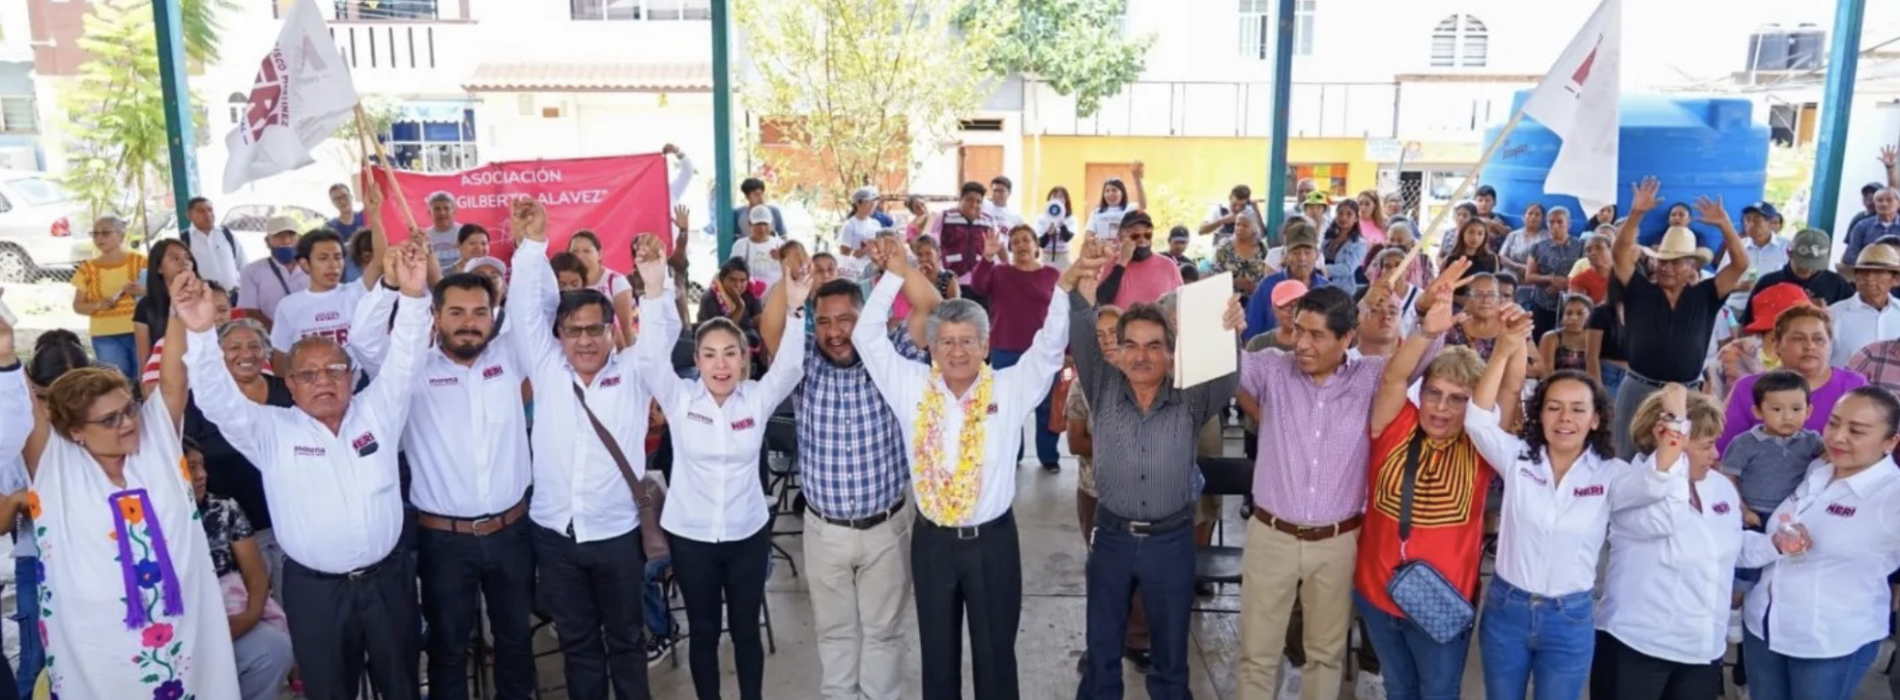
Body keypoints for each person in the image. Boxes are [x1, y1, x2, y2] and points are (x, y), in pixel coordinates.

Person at [182, 237, 431, 698]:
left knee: (401, 686)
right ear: (289, 384)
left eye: (334, 370)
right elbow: (216, 400)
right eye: (309, 375)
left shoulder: (380, 410)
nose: (323, 381)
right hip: (316, 593)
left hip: (388, 582)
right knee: (328, 690)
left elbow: (408, 358)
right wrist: (199, 334)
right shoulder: (270, 430)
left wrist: (413, 297)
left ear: (352, 376)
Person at [852, 235, 1080, 700]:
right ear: (931, 347)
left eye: (968, 342)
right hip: (933, 543)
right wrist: (895, 273)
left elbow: (1049, 350)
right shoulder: (910, 385)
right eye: (946, 342)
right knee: (937, 660)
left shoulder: (1009, 388)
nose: (957, 352)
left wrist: (1063, 290)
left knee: (997, 659)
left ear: (986, 344)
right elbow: (866, 337)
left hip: (993, 542)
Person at [1233, 264, 1465, 700]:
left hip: (1338, 542)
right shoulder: (1271, 368)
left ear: (1347, 340)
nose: (1302, 344)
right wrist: (1226, 328)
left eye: (1317, 335)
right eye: (1299, 330)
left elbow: (1416, 366)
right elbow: (1224, 364)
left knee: (1326, 654)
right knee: (1257, 655)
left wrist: (1428, 318)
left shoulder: (1371, 377)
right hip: (1271, 536)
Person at [4, 272, 241, 699]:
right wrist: (6, 357)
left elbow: (171, 382)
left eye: (128, 409)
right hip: (97, 651)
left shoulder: (156, 443)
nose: (128, 422)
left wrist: (177, 313)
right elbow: (22, 404)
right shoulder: (54, 463)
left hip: (187, 638)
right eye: (109, 419)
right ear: (74, 430)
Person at [1461, 306, 1678, 700]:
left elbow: (1657, 482)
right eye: (1554, 407)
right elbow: (1476, 421)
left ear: (1596, 419)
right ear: (1539, 415)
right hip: (1506, 610)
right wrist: (1504, 349)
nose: (1565, 418)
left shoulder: (1610, 474)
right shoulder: (1517, 459)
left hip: (1570, 618)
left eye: (1578, 409)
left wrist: (1676, 414)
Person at [756, 241, 939, 700]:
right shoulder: (804, 363)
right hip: (824, 532)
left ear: (867, 319)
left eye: (845, 320)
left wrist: (899, 264)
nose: (835, 332)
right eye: (824, 322)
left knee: (884, 635)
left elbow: (931, 308)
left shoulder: (892, 355)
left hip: (887, 528)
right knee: (835, 637)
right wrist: (788, 281)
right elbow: (770, 328)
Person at [347, 266, 539, 700]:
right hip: (444, 541)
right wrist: (395, 287)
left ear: (493, 317)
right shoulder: (408, 369)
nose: (468, 322)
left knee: (515, 641)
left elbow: (532, 310)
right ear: (435, 316)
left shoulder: (511, 357)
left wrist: (532, 250)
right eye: (456, 312)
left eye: (479, 312)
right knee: (448, 649)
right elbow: (363, 340)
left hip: (512, 533)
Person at [632, 234, 809, 700]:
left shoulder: (756, 397)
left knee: (746, 631)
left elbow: (789, 369)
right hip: (691, 537)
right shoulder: (681, 398)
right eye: (709, 355)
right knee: (705, 633)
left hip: (747, 533)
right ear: (698, 361)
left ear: (745, 359)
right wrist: (653, 292)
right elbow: (650, 361)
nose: (721, 364)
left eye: (730, 354)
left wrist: (794, 308)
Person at [1071, 241, 1244, 700]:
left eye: (1153, 346)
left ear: (1171, 353)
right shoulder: (1103, 385)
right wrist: (1084, 278)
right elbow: (1082, 326)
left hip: (1171, 541)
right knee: (1102, 650)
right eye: (1131, 346)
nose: (1142, 356)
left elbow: (1228, 375)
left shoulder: (1190, 398)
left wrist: (1231, 331)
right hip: (1111, 538)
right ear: (1119, 352)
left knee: (1171, 658)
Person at [509, 200, 657, 700]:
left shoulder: (635, 370)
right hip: (556, 535)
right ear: (559, 336)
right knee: (578, 647)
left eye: (596, 329)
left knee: (627, 642)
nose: (585, 340)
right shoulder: (548, 369)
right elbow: (525, 313)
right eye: (574, 331)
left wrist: (655, 279)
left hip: (618, 534)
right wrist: (532, 245)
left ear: (613, 331)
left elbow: (664, 332)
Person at [1353, 287, 1496, 700]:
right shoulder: (1396, 423)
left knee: (1437, 691)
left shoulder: (1480, 444)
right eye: (1434, 393)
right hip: (1377, 590)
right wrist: (1423, 332)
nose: (1441, 408)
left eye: (1457, 399)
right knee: (1398, 687)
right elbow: (1395, 376)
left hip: (1443, 601)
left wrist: (1506, 347)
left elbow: (1503, 393)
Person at [1591, 386, 1758, 700]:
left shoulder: (1719, 486)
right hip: (1636, 648)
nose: (1716, 455)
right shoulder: (1628, 485)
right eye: (1706, 445)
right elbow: (1666, 519)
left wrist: (1776, 546)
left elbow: (1728, 546)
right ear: (1668, 440)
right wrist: (1675, 434)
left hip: (1701, 651)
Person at [1739, 387, 1900, 700]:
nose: (1838, 437)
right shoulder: (1817, 471)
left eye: (1857, 431)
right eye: (1834, 423)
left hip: (1828, 642)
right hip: (1764, 626)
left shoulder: (1891, 496)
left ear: (1890, 442)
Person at [1610, 178, 1750, 458]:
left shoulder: (1706, 294)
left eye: (1676, 262)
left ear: (1692, 267)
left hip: (1688, 395)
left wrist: (1725, 224)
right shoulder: (1640, 290)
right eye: (1662, 261)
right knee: (1626, 462)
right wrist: (1636, 213)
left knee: (1682, 465)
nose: (1667, 268)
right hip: (1639, 389)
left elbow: (1740, 264)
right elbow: (1619, 252)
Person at [180, 319, 290, 602]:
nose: (246, 354)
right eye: (234, 347)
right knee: (255, 606)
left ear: (266, 352)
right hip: (236, 534)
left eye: (255, 346)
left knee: (296, 606)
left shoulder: (289, 391)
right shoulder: (199, 403)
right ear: (218, 355)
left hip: (290, 522)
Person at [185, 441, 296, 700]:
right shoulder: (149, 519)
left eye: (202, 465)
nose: (202, 474)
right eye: (191, 468)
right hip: (186, 621)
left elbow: (255, 574)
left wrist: (250, 616)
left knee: (275, 649)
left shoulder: (223, 509)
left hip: (231, 611)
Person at [268, 187, 393, 376]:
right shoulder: (288, 306)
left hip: (360, 385)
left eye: (337, 257)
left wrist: (374, 214)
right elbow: (280, 357)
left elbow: (380, 260)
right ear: (305, 264)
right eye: (323, 258)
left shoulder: (357, 292)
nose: (333, 265)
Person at [974, 225, 1063, 473]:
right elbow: (979, 286)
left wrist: (1066, 351)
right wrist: (988, 256)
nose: (1022, 245)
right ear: (1010, 248)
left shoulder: (1052, 275)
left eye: (1026, 240)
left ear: (1036, 245)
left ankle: (1049, 456)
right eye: (1015, 242)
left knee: (1047, 406)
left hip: (1044, 352)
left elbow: (1060, 315)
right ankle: (1013, 454)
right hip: (1006, 348)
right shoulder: (1000, 272)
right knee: (1008, 405)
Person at [1716, 305, 1866, 452]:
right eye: (1798, 338)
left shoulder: (1855, 386)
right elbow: (1724, 451)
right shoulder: (1748, 388)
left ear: (1830, 346)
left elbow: (1866, 445)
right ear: (1777, 346)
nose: (1810, 346)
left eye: (1819, 339)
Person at [71, 215, 146, 378]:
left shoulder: (141, 262)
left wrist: (143, 292)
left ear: (121, 235)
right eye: (95, 234)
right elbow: (78, 306)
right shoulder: (87, 268)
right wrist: (98, 305)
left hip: (140, 329)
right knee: (116, 382)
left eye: (105, 233)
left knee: (144, 378)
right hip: (105, 335)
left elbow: (162, 294)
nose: (99, 238)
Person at [1741, 229, 1853, 328]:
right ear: (1789, 253)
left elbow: (1850, 322)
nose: (1808, 269)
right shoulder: (1769, 282)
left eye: (1814, 265)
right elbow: (1748, 323)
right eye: (1802, 263)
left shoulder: (1836, 283)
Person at [1242, 221, 1325, 340]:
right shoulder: (1267, 286)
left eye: (1307, 252)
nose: (1302, 258)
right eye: (1295, 253)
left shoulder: (1326, 290)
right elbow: (1250, 332)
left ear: (1317, 255)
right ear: (1285, 256)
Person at [1094, 210, 1185, 310]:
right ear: (1120, 237)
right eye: (1135, 235)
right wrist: (1121, 263)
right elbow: (1099, 301)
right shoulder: (1108, 263)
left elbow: (1181, 305)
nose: (1142, 240)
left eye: (1147, 234)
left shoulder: (1168, 266)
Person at [1827, 243, 1900, 366]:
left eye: (1878, 273)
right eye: (1864, 272)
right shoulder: (1834, 314)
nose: (1870, 278)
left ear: (1894, 279)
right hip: (1848, 385)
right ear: (1855, 277)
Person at [134, 239, 199, 373]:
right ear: (159, 268)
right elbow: (144, 358)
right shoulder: (146, 307)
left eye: (187, 257)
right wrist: (147, 392)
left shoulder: (206, 296)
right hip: (166, 376)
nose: (184, 262)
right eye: (175, 258)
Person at [235, 217, 310, 331]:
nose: (286, 241)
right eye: (279, 236)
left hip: (311, 335)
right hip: (272, 339)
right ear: (267, 241)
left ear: (300, 239)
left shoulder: (313, 268)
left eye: (291, 235)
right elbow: (250, 311)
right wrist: (279, 333)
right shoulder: (252, 271)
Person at [929, 182, 998, 304]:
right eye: (969, 199)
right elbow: (931, 245)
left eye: (978, 201)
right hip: (952, 281)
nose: (974, 204)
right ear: (960, 200)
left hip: (980, 282)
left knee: (980, 320)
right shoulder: (944, 217)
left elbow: (997, 249)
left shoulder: (988, 221)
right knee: (953, 319)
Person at [1523, 206, 1584, 338]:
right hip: (1542, 303)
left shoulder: (1580, 246)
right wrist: (1551, 279)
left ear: (1569, 224)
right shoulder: (1538, 247)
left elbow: (1585, 272)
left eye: (1560, 222)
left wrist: (1564, 283)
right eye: (1551, 222)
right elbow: (1529, 276)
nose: (1555, 226)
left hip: (1571, 305)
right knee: (1539, 338)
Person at [571, 230, 639, 345]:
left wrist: (628, 358)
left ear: (599, 254)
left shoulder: (616, 281)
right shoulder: (567, 283)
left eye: (586, 251)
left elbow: (627, 328)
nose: (580, 256)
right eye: (575, 251)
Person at [184, 196, 245, 291]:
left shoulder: (226, 234)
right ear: (189, 215)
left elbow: (243, 264)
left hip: (233, 297)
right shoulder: (184, 240)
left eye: (210, 210)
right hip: (202, 300)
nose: (208, 214)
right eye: (201, 211)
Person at [1497, 203, 1548, 305]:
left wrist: (1530, 270)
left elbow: (1549, 259)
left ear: (1543, 219)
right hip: (1511, 270)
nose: (1533, 217)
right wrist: (1517, 266)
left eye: (1537, 215)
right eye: (1530, 213)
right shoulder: (1513, 235)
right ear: (1523, 217)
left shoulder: (1547, 236)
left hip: (1536, 274)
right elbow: (1502, 256)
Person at [1841, 186, 1900, 273]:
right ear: (1875, 204)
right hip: (1868, 275)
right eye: (1879, 200)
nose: (1884, 204)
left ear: (1898, 203)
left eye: (1889, 200)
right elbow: (1851, 256)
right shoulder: (1862, 226)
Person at [1213, 210, 1270, 298]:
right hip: (1228, 299)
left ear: (1254, 228)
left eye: (1245, 226)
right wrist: (1234, 281)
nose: (1240, 228)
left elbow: (1268, 276)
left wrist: (1257, 286)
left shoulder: (1262, 248)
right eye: (1238, 224)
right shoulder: (1224, 246)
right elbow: (1214, 273)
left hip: (1255, 300)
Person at [1439, 218, 1500, 297]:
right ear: (1462, 234)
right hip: (1454, 302)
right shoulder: (1451, 259)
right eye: (1471, 232)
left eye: (1480, 234)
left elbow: (1496, 286)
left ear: (1485, 237)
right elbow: (1441, 288)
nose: (1475, 237)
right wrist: (1460, 300)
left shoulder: (1491, 258)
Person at [1538, 294, 1595, 379]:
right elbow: (1546, 371)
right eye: (1568, 313)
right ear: (1562, 316)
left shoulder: (1596, 340)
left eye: (1580, 313)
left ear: (1591, 316)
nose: (1573, 318)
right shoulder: (1551, 337)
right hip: (1556, 387)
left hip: (1588, 389)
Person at [1321, 199, 1368, 297]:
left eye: (1349, 214)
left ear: (1356, 219)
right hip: (1321, 285)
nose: (1343, 217)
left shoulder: (1359, 243)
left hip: (1341, 291)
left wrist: (1324, 270)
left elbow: (1348, 268)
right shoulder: (1327, 237)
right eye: (1340, 213)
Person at [1088, 163, 1146, 242]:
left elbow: (1143, 205)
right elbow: (1089, 233)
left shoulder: (1130, 208)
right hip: (1104, 251)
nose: (1110, 194)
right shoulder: (1097, 211)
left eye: (1114, 190)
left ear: (1122, 193)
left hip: (1125, 251)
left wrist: (1137, 179)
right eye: (1107, 191)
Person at [1035, 186, 1078, 270]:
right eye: (1054, 196)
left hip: (1064, 257)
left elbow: (1067, 238)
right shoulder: (1041, 218)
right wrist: (1048, 233)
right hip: (1046, 257)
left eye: (1061, 196)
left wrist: (1061, 224)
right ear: (1049, 199)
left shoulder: (1071, 218)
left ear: (1066, 200)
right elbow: (1041, 243)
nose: (1058, 199)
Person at [1568, 231, 1614, 304]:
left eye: (1599, 248)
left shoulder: (1624, 275)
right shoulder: (1579, 281)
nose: (1593, 253)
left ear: (1611, 249)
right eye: (1588, 250)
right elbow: (1579, 310)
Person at [422, 191, 464, 270]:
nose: (442, 213)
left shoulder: (466, 232)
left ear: (454, 211)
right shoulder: (423, 237)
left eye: (446, 208)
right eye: (437, 209)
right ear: (429, 212)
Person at [911, 235, 962, 301]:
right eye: (920, 255)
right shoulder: (915, 277)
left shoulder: (948, 278)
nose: (924, 259)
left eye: (928, 254)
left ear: (938, 253)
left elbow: (955, 307)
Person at [839, 187, 883, 260]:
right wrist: (865, 250)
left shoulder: (876, 224)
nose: (872, 205)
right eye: (869, 202)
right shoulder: (850, 225)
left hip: (873, 267)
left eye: (874, 202)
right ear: (858, 203)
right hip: (855, 269)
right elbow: (844, 252)